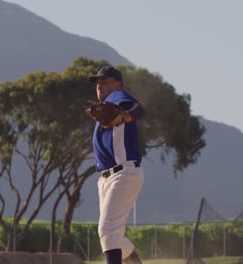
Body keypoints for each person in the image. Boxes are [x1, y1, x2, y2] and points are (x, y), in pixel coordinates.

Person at [88, 66, 145, 264]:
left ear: (117, 84)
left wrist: (128, 116)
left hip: (123, 173)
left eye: (104, 81)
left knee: (107, 230)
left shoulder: (117, 97)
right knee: (115, 235)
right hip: (106, 178)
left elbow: (139, 109)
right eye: (97, 83)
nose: (99, 86)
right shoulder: (106, 108)